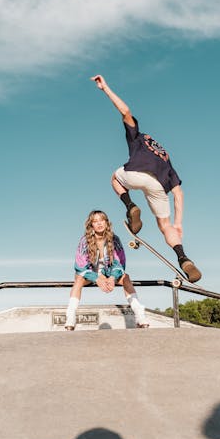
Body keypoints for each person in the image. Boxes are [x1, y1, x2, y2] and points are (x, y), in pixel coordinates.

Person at [91, 74, 202, 283]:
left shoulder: (138, 138)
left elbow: (125, 111)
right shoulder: (166, 157)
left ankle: (130, 205)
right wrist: (179, 224)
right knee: (165, 225)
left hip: (134, 174)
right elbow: (178, 193)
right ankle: (183, 256)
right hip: (159, 185)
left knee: (115, 178)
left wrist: (105, 88)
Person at [65, 210, 149, 330]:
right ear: (91, 225)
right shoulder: (85, 241)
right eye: (95, 221)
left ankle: (139, 314)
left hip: (109, 275)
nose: (99, 223)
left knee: (126, 277)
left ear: (106, 223)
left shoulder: (114, 239)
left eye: (102, 220)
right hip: (90, 275)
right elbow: (80, 266)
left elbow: (120, 263)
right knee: (78, 278)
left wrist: (113, 277)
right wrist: (97, 278)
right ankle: (70, 315)